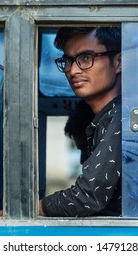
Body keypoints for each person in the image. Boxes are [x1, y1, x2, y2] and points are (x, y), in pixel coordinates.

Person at [39, 26, 122, 217]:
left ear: (118, 62)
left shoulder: (120, 115)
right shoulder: (99, 118)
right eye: (68, 61)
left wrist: (33, 209)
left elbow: (87, 198)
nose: (73, 70)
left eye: (86, 58)